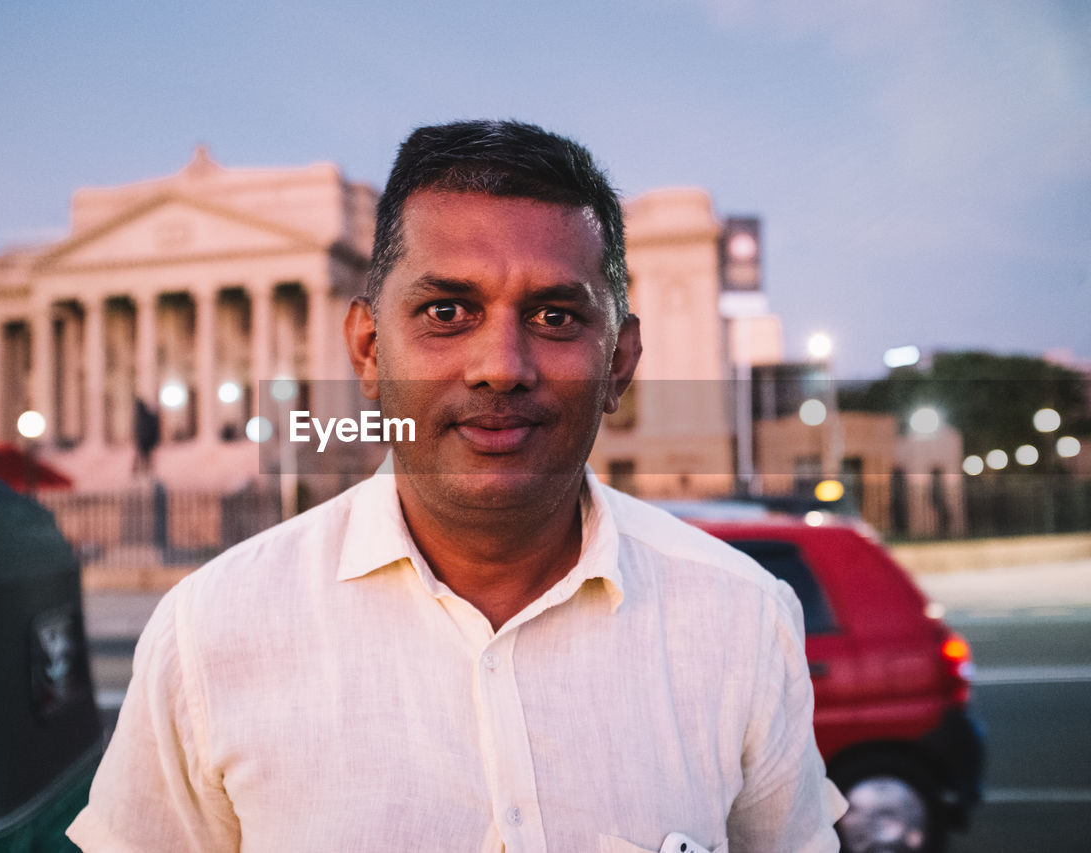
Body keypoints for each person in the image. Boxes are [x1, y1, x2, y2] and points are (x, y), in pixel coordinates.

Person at [68, 119, 846, 852]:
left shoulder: (741, 618)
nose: (500, 365)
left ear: (620, 361)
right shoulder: (207, 634)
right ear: (369, 349)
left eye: (554, 315)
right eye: (448, 311)